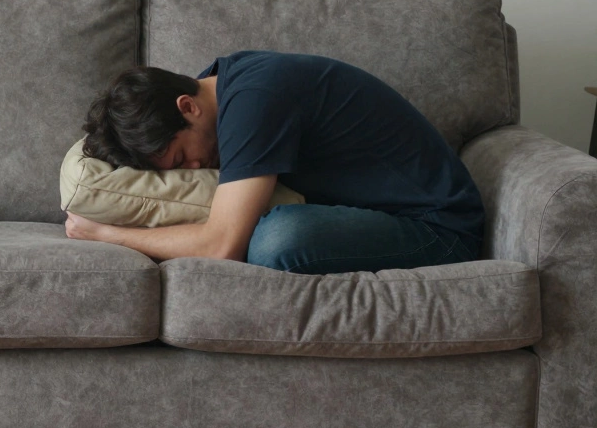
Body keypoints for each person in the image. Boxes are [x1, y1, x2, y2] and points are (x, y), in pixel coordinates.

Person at [63, 50, 484, 274]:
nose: (193, 170)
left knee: (275, 239)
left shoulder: (255, 103)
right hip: (374, 215)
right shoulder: (226, 85)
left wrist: (108, 234)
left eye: (181, 158)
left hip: (437, 229)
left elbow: (221, 246)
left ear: (187, 106)